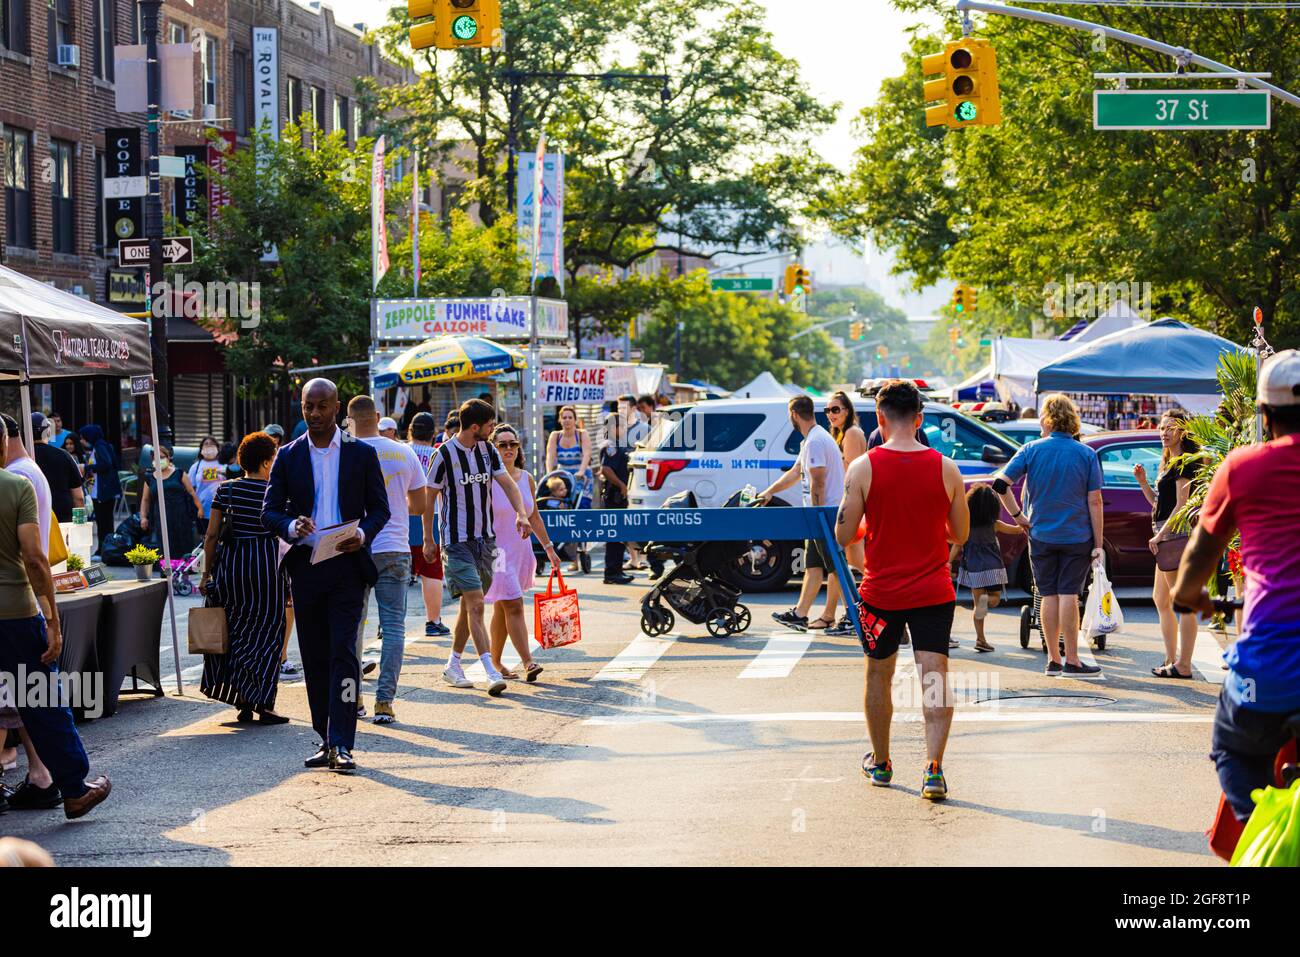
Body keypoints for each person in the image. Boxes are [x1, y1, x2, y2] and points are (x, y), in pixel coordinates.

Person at [1172, 349, 1300, 824]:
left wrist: (1191, 597)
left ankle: (1260, 836)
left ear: (1264, 414)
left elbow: (1197, 561)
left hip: (1269, 673)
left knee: (1236, 753)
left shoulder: (1243, 468)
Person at [836, 378, 970, 801]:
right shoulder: (946, 468)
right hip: (933, 590)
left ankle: (881, 762)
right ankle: (933, 769)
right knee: (934, 677)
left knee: (879, 675)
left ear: (879, 418)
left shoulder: (862, 468)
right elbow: (960, 533)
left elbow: (843, 533)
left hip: (880, 593)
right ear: (919, 418)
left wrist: (868, 524)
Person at [263, 378, 390, 774]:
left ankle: (343, 742)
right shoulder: (288, 455)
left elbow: (381, 509)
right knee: (315, 658)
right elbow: (269, 512)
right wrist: (289, 526)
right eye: (307, 407)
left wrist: (363, 533)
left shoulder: (361, 454)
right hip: (306, 567)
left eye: (321, 407)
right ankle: (324, 737)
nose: (314, 414)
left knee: (344, 654)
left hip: (349, 567)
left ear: (337, 408)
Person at [0, 422, 111, 819]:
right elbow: (34, 557)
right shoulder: (15, 486)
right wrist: (53, 619)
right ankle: (73, 788)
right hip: (12, 610)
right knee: (41, 698)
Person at [991, 394, 1104, 678]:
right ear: (1072, 419)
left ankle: (1053, 659)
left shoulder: (1031, 450)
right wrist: (1099, 543)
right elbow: (1095, 502)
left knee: (1047, 594)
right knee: (1069, 594)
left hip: (1040, 534)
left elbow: (1000, 484)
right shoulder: (1086, 454)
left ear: (1047, 419)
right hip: (1077, 535)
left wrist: (1018, 517)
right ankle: (1073, 660)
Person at [424, 399, 532, 697]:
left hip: (486, 540)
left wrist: (521, 514)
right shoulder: (443, 454)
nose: (492, 429)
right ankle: (489, 670)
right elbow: (429, 497)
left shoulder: (487, 451)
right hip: (456, 541)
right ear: (475, 427)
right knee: (475, 602)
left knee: (468, 605)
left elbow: (508, 483)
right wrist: (428, 538)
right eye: (488, 425)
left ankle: (453, 664)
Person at [198, 432, 290, 724]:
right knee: (267, 632)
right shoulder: (277, 493)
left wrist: (206, 573)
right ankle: (262, 701)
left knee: (236, 629)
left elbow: (211, 535)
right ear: (265, 462)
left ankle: (241, 699)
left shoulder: (226, 490)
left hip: (233, 566)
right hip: (266, 566)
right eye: (273, 458)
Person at [348, 395, 427, 725]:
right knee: (393, 627)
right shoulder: (403, 451)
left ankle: (353, 701)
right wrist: (395, 505)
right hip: (394, 547)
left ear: (349, 420)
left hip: (354, 548)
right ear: (378, 417)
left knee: (352, 627)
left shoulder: (345, 453)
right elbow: (420, 506)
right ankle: (385, 701)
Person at [760, 395, 846, 631]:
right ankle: (800, 614)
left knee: (835, 567)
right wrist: (769, 492)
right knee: (813, 566)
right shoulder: (810, 440)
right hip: (816, 513)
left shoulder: (816, 441)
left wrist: (817, 513)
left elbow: (818, 480)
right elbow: (797, 471)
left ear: (794, 415)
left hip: (824, 513)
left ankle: (850, 615)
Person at [485, 424, 560, 679]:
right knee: (514, 605)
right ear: (493, 449)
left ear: (519, 447)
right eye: (502, 445)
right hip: (496, 552)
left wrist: (549, 548)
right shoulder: (488, 478)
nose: (508, 449)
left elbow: (534, 516)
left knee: (502, 608)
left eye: (512, 444)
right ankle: (528, 661)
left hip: (520, 549)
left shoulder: (526, 477)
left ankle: (495, 663)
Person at [1135, 409, 1201, 679]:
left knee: (1181, 600)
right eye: (1162, 427)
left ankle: (1183, 664)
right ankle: (1171, 658)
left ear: (1183, 432)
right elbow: (1158, 504)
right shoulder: (1168, 463)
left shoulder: (1185, 462)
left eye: (1171, 427)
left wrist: (1160, 536)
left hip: (1176, 533)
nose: (1164, 432)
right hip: (1165, 532)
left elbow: (1183, 506)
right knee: (1161, 598)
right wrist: (1142, 482)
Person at [955, 485, 1024, 653]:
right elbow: (1018, 530)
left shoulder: (966, 527)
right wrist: (1024, 518)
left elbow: (957, 545)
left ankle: (980, 639)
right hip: (992, 567)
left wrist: (948, 562)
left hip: (973, 568)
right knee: (994, 598)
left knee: (978, 605)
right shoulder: (995, 525)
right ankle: (986, 601)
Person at [823, 391, 868, 636]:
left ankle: (862, 612)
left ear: (847, 411)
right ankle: (838, 614)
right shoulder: (845, 433)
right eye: (828, 410)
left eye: (835, 409)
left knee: (857, 564)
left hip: (850, 503)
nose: (831, 415)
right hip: (850, 502)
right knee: (843, 563)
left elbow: (850, 469)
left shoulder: (851, 433)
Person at [407, 412, 450, 638]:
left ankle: (387, 625)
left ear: (411, 430)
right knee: (431, 573)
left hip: (401, 519)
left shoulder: (401, 451)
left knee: (397, 577)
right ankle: (433, 622)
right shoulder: (438, 454)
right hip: (430, 518)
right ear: (433, 432)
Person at [139, 445, 201, 559]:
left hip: (181, 515)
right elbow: (145, 500)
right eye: (156, 458)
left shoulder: (179, 474)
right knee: (164, 544)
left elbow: (192, 492)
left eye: (162, 457)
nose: (159, 460)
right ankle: (167, 569)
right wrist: (143, 517)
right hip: (161, 517)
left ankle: (184, 569)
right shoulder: (149, 478)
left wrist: (200, 509)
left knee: (183, 543)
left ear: (168, 458)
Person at [2, 415, 52, 554]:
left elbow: (29, 549)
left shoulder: (17, 472)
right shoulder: (24, 467)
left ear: (4, 440)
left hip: (23, 571)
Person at [599, 412, 635, 585]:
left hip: (619, 496)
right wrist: (622, 485)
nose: (625, 428)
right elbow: (606, 469)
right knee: (614, 534)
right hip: (615, 495)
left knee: (619, 534)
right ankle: (612, 572)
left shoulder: (619, 444)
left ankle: (616, 570)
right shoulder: (610, 446)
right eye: (622, 425)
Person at [31, 414, 84, 525]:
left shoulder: (24, 458)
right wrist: (80, 525)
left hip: (33, 521)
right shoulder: (64, 455)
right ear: (49, 432)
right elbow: (78, 497)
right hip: (63, 521)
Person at [78, 425, 120, 556]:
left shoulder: (100, 446)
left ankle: (104, 550)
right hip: (101, 491)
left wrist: (87, 467)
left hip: (103, 491)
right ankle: (103, 549)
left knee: (104, 522)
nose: (82, 441)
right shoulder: (100, 445)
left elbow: (106, 464)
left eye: (83, 438)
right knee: (103, 522)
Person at [546, 405, 592, 505]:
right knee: (561, 504)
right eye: (564, 417)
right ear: (560, 420)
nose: (567, 420)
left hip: (581, 476)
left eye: (570, 417)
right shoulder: (555, 435)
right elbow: (550, 456)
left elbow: (587, 454)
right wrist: (550, 474)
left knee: (582, 504)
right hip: (563, 477)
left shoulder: (582, 434)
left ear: (575, 420)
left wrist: (581, 471)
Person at [187, 436, 228, 540]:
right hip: (203, 511)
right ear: (201, 449)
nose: (209, 446)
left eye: (212, 444)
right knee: (205, 539)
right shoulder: (195, 467)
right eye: (206, 444)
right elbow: (190, 489)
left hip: (223, 509)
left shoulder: (224, 464)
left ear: (218, 448)